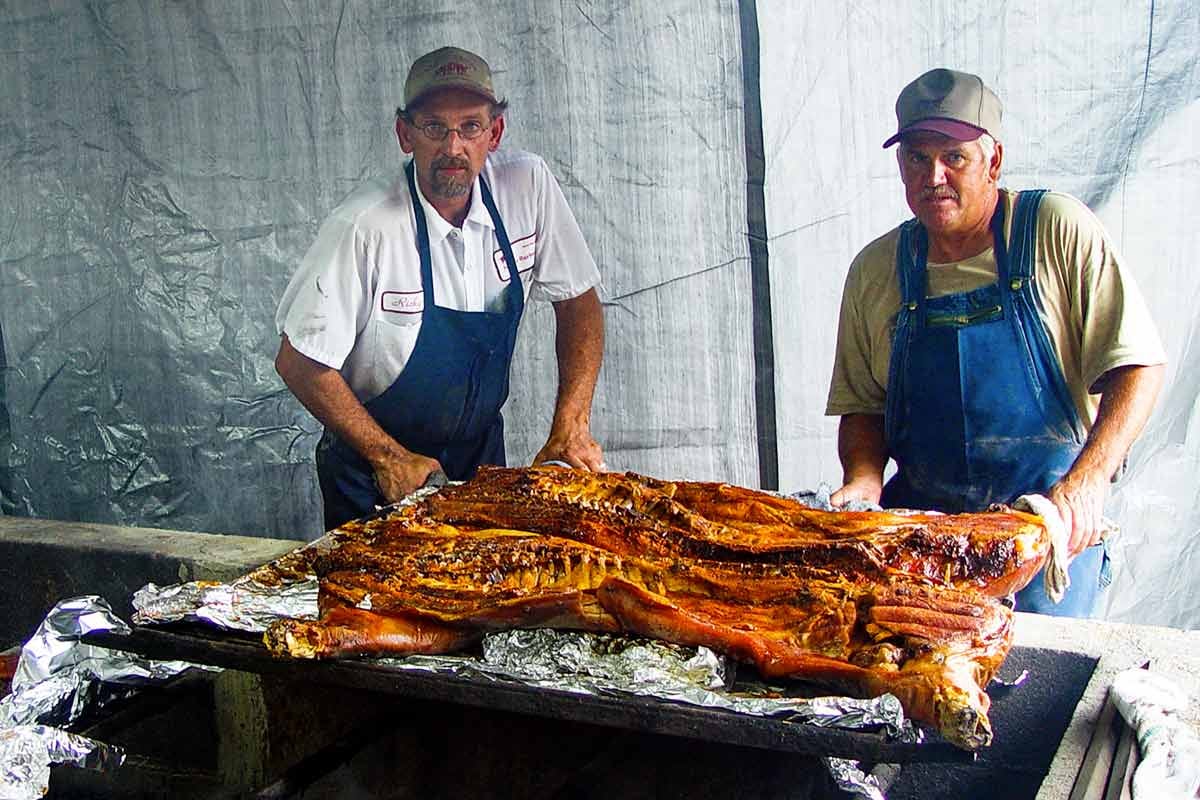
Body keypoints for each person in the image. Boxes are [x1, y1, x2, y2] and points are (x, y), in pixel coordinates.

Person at [826, 68, 1166, 617]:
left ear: (994, 160)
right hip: (925, 538)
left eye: (953, 157)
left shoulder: (1056, 229)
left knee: (1037, 684)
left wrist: (1088, 479)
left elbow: (1139, 367)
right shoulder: (875, 270)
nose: (933, 175)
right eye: (916, 157)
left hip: (1044, 527)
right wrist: (863, 476)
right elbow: (864, 405)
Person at [275, 46, 605, 530]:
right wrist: (388, 457)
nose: (453, 148)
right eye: (434, 128)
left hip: (481, 463)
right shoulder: (364, 226)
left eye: (470, 127)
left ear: (495, 133)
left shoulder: (527, 189)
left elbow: (580, 303)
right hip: (375, 476)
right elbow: (299, 360)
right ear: (405, 134)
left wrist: (571, 425)